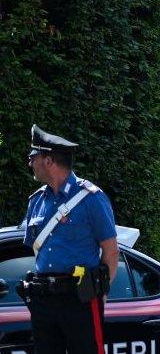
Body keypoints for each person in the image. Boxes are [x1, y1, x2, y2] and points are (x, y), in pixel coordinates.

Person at [20, 124, 118, 354]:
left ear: (48, 160)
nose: (29, 163)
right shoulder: (36, 201)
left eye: (32, 157)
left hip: (80, 297)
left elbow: (111, 251)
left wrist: (100, 293)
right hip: (43, 299)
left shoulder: (91, 198)